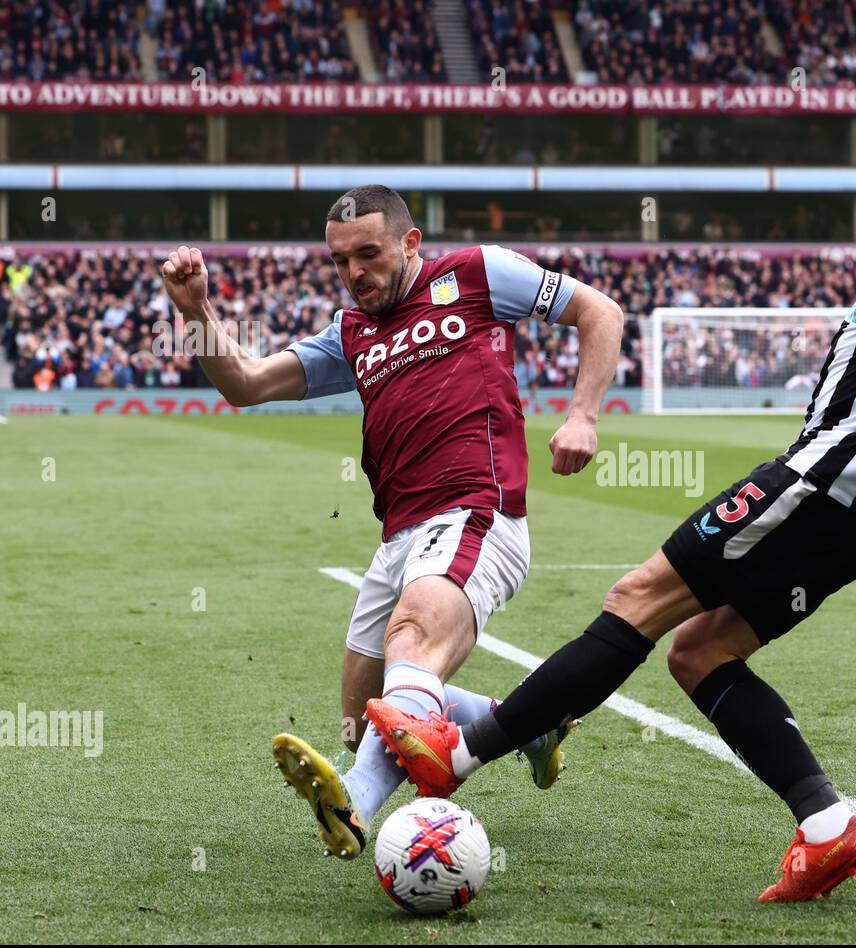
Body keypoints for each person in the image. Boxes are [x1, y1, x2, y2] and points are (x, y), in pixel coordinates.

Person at [365, 56, 856, 902]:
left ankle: (455, 756)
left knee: (637, 598)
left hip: (832, 479)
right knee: (701, 650)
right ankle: (828, 831)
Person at [159, 184, 624, 859]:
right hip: (400, 534)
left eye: (368, 254)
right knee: (363, 716)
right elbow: (247, 384)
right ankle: (524, 726)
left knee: (411, 638)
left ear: (410, 243)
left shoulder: (475, 274)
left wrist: (582, 414)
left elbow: (598, 310)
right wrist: (196, 307)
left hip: (476, 509)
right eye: (341, 260)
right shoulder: (349, 335)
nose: (354, 272)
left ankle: (354, 807)